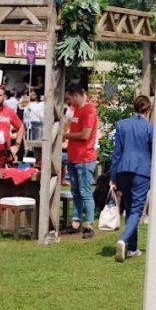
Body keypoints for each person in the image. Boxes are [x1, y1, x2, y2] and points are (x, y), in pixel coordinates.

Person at [109, 95, 153, 262]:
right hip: (142, 172)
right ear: (148, 109)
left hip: (123, 171)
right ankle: (123, 239)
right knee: (136, 210)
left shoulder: (122, 125)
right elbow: (154, 154)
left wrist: (113, 177)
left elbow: (117, 154)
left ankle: (132, 248)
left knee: (129, 208)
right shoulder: (150, 128)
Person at [63, 80, 98, 238]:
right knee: (75, 192)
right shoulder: (76, 109)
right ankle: (76, 221)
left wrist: (65, 135)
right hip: (74, 157)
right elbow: (71, 125)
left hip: (85, 158)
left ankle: (89, 225)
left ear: (76, 95)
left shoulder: (89, 111)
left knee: (85, 192)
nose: (68, 102)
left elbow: (85, 135)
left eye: (69, 99)